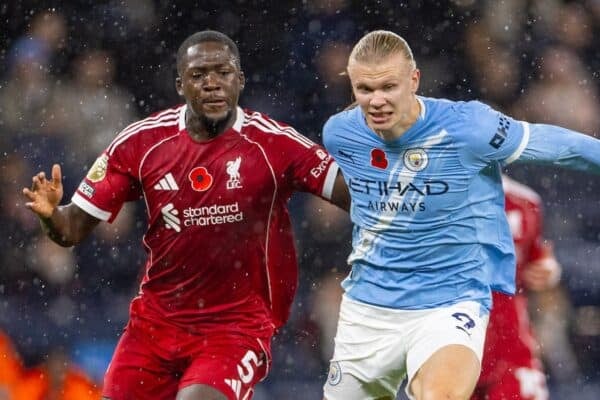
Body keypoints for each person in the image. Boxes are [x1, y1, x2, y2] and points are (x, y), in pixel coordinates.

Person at [22, 30, 349, 400]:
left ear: (240, 80)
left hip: (234, 328)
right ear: (180, 85)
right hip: (154, 328)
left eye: (223, 72)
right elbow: (70, 230)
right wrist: (50, 215)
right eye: (198, 75)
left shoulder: (273, 143)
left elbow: (356, 194)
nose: (212, 83)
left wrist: (389, 157)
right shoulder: (140, 144)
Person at [321, 29, 600, 400]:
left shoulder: (468, 128)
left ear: (414, 80)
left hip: (451, 297)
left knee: (441, 395)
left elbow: (561, 146)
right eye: (365, 89)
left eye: (389, 86)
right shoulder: (340, 134)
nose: (377, 101)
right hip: (370, 306)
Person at [472, 175, 560, 400]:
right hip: (451, 345)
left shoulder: (525, 201)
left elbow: (538, 258)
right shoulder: (432, 197)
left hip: (511, 348)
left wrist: (548, 270)